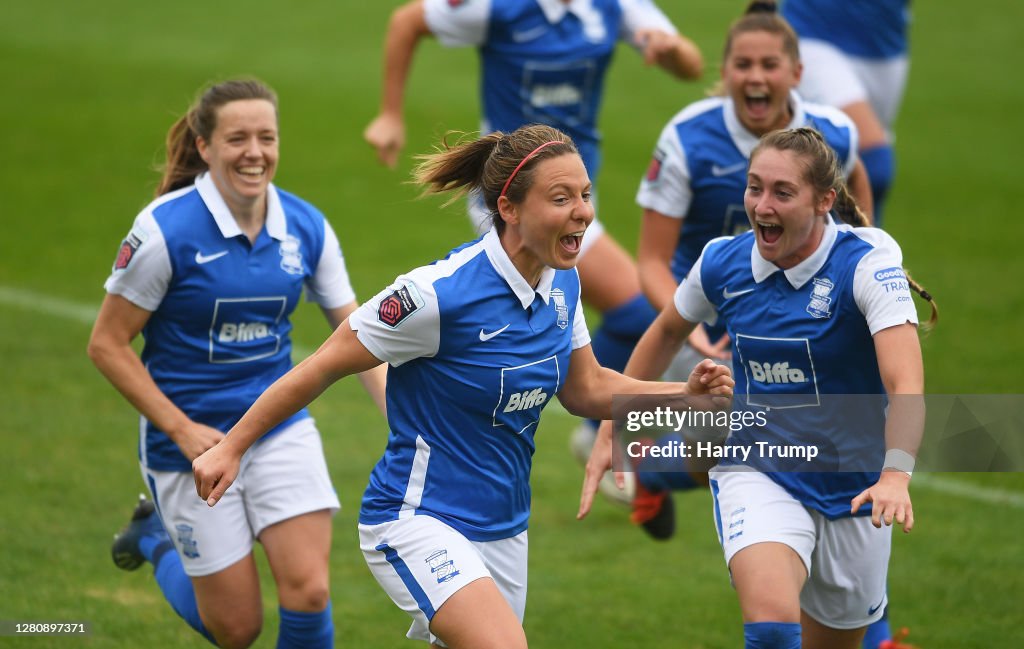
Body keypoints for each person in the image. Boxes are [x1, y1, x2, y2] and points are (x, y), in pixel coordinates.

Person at [192, 124, 734, 648]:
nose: (584, 213)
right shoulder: (435, 296)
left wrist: (685, 394)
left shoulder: (562, 281)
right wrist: (232, 447)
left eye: (586, 195)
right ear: (510, 209)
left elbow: (586, 389)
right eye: (562, 197)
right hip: (416, 519)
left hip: (504, 528)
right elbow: (323, 364)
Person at [581, 126, 936, 649]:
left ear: (824, 202)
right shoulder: (723, 262)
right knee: (771, 629)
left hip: (856, 485)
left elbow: (904, 379)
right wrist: (614, 425)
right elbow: (663, 334)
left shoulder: (866, 265)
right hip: (757, 463)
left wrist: (895, 476)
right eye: (754, 187)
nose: (761, 205)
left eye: (782, 192)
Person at [362, 0, 705, 500]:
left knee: (615, 311)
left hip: (575, 192)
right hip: (516, 198)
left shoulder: (613, 8)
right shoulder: (495, 8)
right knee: (633, 310)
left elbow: (692, 65)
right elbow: (406, 20)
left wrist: (671, 50)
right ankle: (579, 418)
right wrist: (390, 114)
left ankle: (577, 405)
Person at [88, 79, 387, 649]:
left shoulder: (307, 227)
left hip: (277, 427)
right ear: (204, 146)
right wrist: (179, 429)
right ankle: (152, 538)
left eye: (267, 138)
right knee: (237, 628)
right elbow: (107, 344)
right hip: (190, 443)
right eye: (238, 138)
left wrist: (401, 417)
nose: (255, 152)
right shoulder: (163, 230)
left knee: (309, 591)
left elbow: (358, 333)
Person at [629, 0, 872, 535]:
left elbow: (862, 233)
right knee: (762, 447)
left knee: (813, 452)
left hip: (808, 323)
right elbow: (650, 260)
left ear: (796, 73)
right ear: (726, 73)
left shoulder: (835, 134)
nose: (756, 77)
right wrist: (691, 337)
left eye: (769, 65)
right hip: (710, 334)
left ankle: (851, 611)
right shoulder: (688, 138)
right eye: (743, 65)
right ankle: (651, 468)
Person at [781, 0, 911, 226]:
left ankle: (864, 255)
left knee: (850, 162)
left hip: (885, 42)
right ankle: (859, 251)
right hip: (813, 31)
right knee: (874, 159)